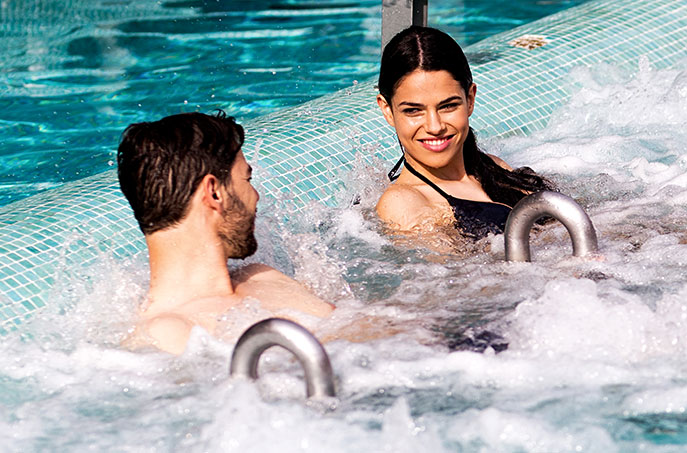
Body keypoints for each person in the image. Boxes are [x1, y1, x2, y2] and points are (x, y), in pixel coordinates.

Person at [116, 112, 334, 355]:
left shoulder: (261, 277)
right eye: (247, 179)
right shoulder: (165, 337)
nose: (256, 196)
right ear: (214, 193)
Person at [375, 26, 552, 242]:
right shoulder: (402, 202)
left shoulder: (494, 169)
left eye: (448, 106)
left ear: (470, 99)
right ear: (387, 110)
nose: (434, 126)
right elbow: (448, 275)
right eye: (413, 110)